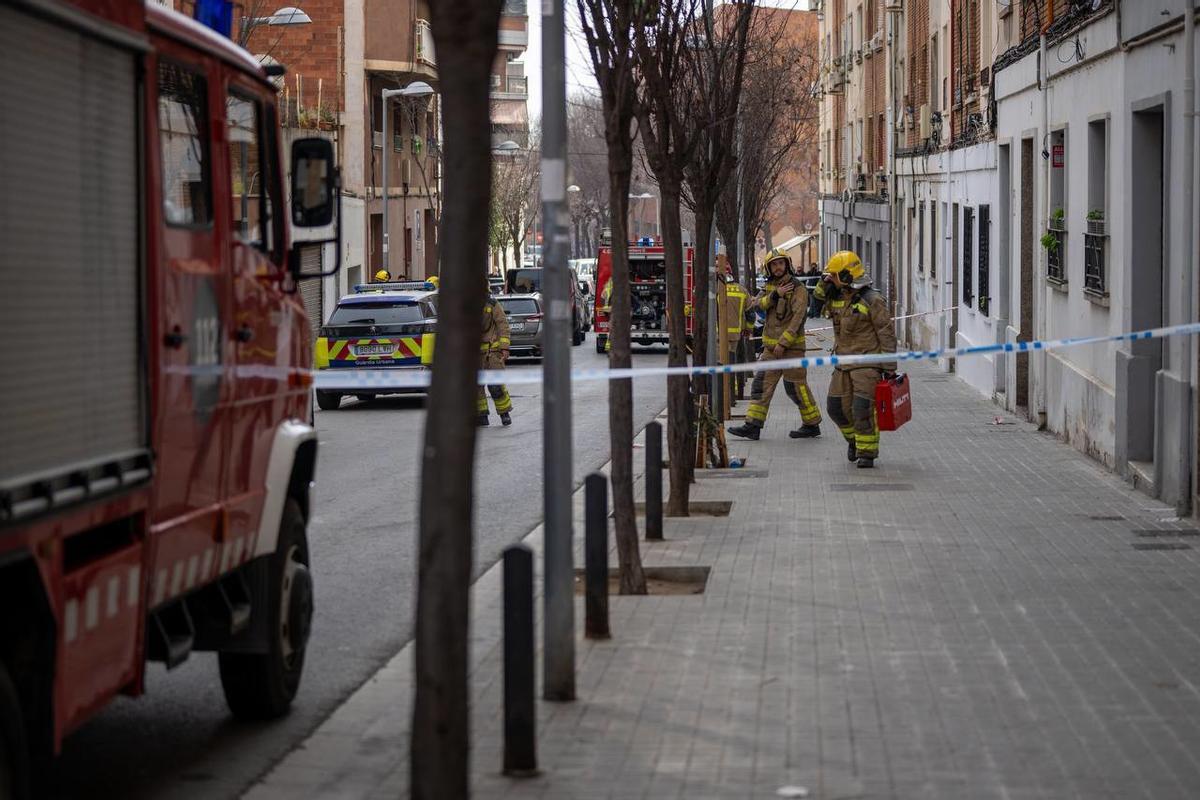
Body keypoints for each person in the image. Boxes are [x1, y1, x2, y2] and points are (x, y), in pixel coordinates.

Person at [726, 248, 822, 441]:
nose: (778, 268)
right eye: (774, 264)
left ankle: (812, 423)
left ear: (787, 264)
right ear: (769, 268)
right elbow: (755, 303)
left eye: (781, 263)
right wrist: (775, 295)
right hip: (771, 350)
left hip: (791, 350)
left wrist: (784, 343)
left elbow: (798, 318)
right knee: (761, 385)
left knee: (795, 387)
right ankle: (752, 426)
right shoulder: (770, 286)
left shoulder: (798, 288)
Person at [814, 250, 897, 468]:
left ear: (846, 275)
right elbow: (816, 303)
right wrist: (824, 282)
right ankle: (853, 441)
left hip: (867, 364)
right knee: (835, 408)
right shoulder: (837, 297)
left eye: (833, 275)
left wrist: (889, 368)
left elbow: (886, 333)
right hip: (842, 364)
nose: (830, 279)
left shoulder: (873, 300)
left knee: (861, 409)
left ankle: (867, 453)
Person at [478, 281, 513, 426]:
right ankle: (482, 415)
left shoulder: (492, 304)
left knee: (496, 385)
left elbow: (502, 325)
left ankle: (504, 414)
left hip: (491, 352)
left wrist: (504, 347)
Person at [720, 261, 753, 402]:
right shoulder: (742, 290)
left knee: (719, 366)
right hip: (735, 335)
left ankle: (723, 397)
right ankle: (731, 397)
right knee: (731, 364)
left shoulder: (715, 290)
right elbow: (751, 314)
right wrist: (748, 329)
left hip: (717, 336)